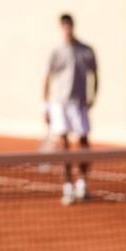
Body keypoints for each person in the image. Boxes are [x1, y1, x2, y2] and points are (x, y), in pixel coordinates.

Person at [43, 13, 98, 206]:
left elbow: (95, 75)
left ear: (73, 26)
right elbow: (47, 78)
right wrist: (46, 106)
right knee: (63, 146)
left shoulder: (86, 50)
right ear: (61, 27)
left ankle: (82, 185)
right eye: (64, 25)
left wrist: (93, 97)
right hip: (60, 104)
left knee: (83, 144)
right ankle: (68, 187)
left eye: (69, 24)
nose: (67, 28)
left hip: (79, 104)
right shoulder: (57, 51)